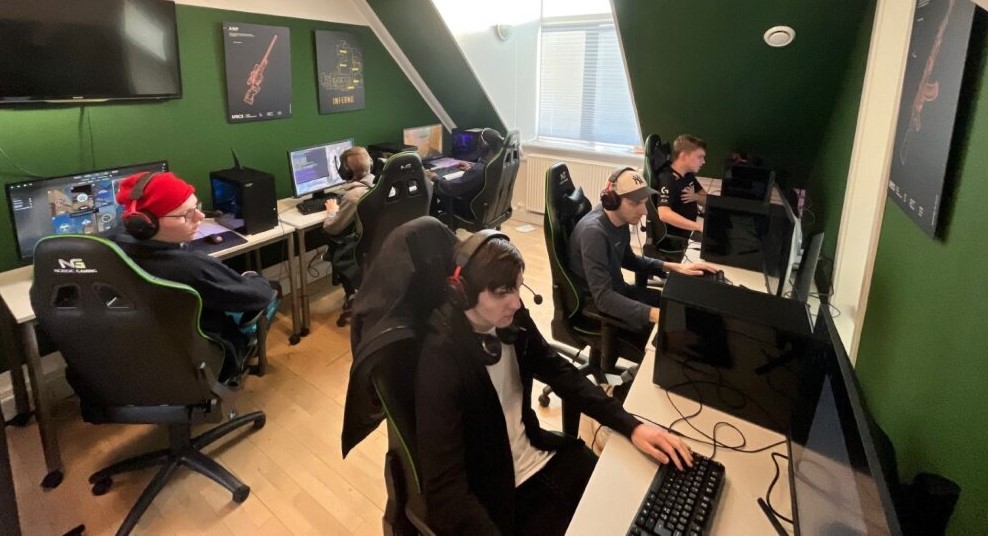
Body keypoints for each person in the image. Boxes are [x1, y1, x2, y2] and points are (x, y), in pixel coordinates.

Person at [416, 231, 694, 535]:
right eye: (501, 293)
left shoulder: (511, 321)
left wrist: (631, 425)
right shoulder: (440, 361)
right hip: (500, 494)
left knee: (632, 499)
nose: (515, 303)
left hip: (540, 453)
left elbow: (560, 372)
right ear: (463, 293)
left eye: (518, 288)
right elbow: (444, 492)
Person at [113, 171, 277, 381]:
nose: (200, 217)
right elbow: (259, 296)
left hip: (146, 360)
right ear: (146, 224)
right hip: (206, 358)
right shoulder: (191, 267)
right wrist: (254, 277)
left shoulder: (109, 253)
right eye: (186, 215)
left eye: (197, 207)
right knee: (271, 291)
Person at [569, 167, 717, 342]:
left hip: (619, 293)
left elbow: (630, 260)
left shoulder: (619, 220)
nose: (645, 211)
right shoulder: (594, 233)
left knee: (680, 306)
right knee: (678, 334)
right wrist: (660, 316)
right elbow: (603, 299)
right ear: (612, 200)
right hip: (601, 310)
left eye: (644, 202)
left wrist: (676, 267)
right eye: (635, 203)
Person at [429, 127, 503, 220]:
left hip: (470, 211)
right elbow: (480, 176)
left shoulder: (479, 170)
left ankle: (433, 225)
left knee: (434, 189)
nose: (477, 146)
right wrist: (471, 168)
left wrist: (434, 178)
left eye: (479, 144)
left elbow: (452, 188)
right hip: (490, 210)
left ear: (483, 147)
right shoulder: (498, 164)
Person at [656, 134, 708, 239]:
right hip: (678, 236)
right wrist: (698, 226)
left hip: (691, 226)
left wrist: (695, 197)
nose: (703, 162)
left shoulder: (688, 174)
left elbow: (707, 199)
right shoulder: (668, 179)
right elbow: (664, 214)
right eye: (699, 157)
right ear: (684, 156)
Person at [322, 146, 376, 236]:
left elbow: (331, 228)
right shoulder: (385, 185)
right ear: (371, 164)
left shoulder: (353, 196)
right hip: (387, 241)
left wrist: (332, 211)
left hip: (366, 243)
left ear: (346, 172)